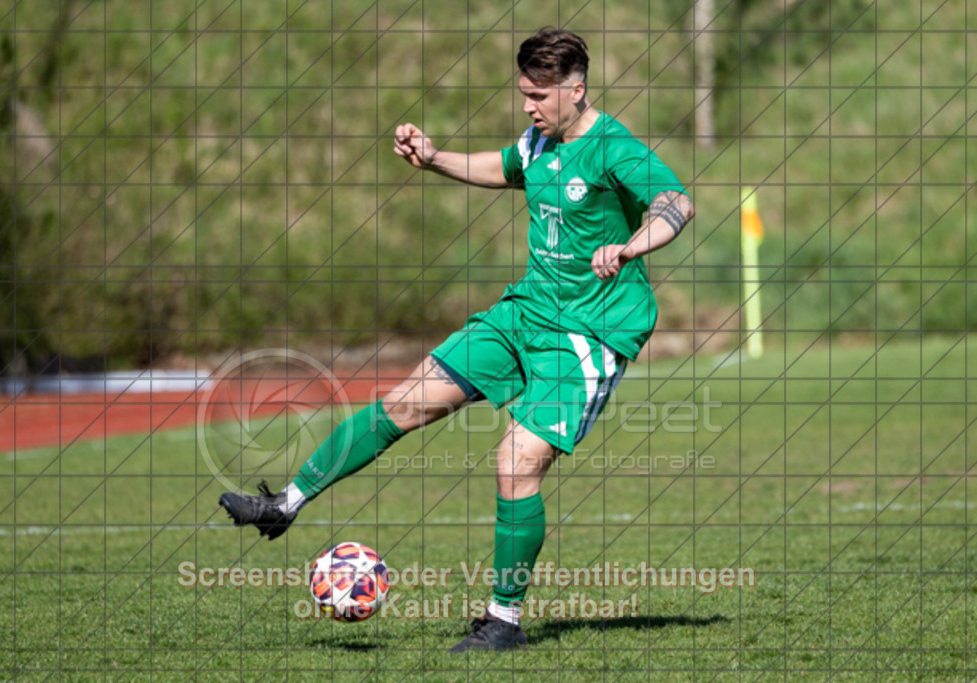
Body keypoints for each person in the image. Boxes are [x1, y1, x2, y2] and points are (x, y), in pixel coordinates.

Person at [220, 28, 694, 652]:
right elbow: (503, 167)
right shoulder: (540, 142)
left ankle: (504, 622)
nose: (528, 106)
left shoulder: (615, 148)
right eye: (523, 93)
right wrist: (435, 158)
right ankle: (285, 503)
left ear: (576, 90)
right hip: (524, 313)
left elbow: (676, 203)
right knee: (402, 404)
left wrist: (631, 244)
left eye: (539, 96)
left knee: (516, 461)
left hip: (589, 332)